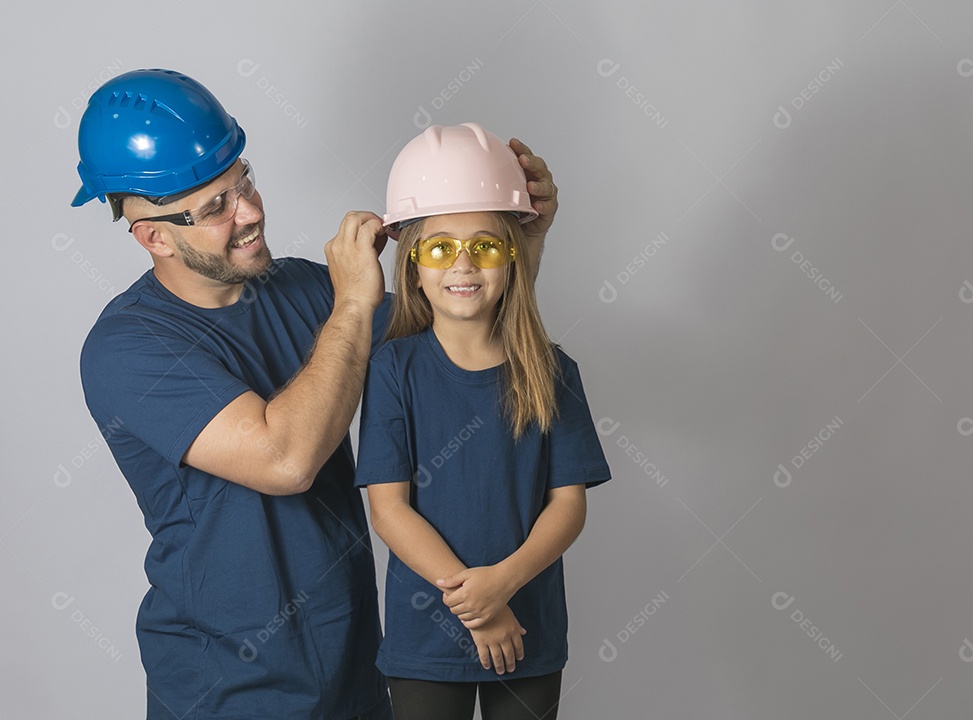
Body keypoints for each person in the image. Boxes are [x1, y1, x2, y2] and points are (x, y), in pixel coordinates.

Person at [72, 70, 559, 720]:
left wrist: (523, 241)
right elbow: (286, 459)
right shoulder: (128, 348)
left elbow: (467, 352)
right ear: (155, 235)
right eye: (216, 206)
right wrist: (356, 300)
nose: (248, 213)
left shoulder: (306, 290)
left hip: (354, 667)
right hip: (228, 689)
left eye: (242, 183)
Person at [354, 123, 610, 720]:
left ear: (513, 259)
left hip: (529, 630)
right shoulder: (392, 369)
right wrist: (478, 603)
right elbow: (388, 508)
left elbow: (568, 505)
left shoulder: (552, 370)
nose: (463, 264)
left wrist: (505, 585)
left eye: (486, 247)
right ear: (413, 266)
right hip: (426, 640)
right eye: (440, 247)